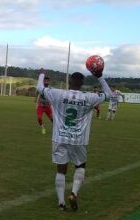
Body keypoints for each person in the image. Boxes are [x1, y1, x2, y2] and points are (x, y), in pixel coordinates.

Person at [36, 68, 112, 211]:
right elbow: (109, 94)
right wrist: (99, 76)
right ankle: (73, 193)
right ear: (82, 83)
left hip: (60, 138)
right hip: (79, 140)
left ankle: (61, 203)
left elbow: (40, 88)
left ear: (69, 81)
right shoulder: (89, 97)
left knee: (61, 170)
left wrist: (41, 74)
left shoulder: (58, 94)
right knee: (80, 166)